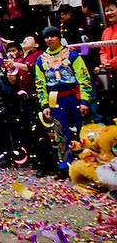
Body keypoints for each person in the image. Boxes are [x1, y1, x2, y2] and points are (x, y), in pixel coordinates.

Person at [35, 26, 92, 178]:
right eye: (46, 37)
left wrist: (85, 100)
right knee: (60, 133)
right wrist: (45, 105)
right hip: (54, 97)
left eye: (53, 36)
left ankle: (87, 164)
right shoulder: (41, 60)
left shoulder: (72, 55)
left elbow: (83, 77)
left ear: (59, 37)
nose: (49, 39)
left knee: (82, 130)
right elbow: (40, 84)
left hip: (73, 95)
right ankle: (64, 166)